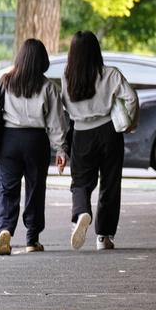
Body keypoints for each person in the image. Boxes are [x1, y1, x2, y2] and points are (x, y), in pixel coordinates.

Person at [61, 31, 139, 251]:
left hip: (81, 133)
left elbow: (65, 107)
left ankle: (81, 213)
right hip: (109, 132)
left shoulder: (67, 77)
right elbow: (131, 98)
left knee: (80, 182)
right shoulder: (111, 74)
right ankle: (103, 237)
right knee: (110, 183)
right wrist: (129, 122)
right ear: (96, 50)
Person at [0, 39, 68, 255]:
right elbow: (56, 122)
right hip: (36, 141)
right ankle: (32, 239)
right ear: (42, 61)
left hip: (8, 140)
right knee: (35, 189)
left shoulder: (5, 82)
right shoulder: (48, 87)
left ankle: (5, 229)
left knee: (7, 188)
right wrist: (61, 149)